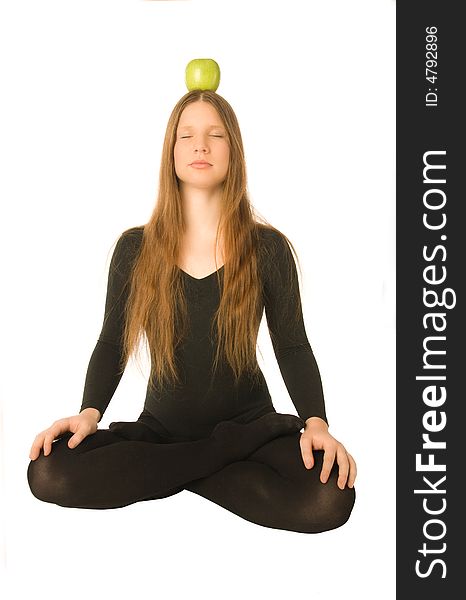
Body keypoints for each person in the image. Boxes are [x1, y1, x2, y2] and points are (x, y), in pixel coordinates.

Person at [27, 90, 357, 533]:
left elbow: (293, 346)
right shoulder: (134, 249)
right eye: (188, 135)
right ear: (172, 152)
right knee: (48, 472)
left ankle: (170, 474)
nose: (201, 145)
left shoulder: (268, 249)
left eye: (215, 135)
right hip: (162, 433)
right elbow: (112, 341)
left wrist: (317, 422)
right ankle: (213, 461)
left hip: (248, 427)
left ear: (233, 151)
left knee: (329, 496)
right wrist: (88, 413)